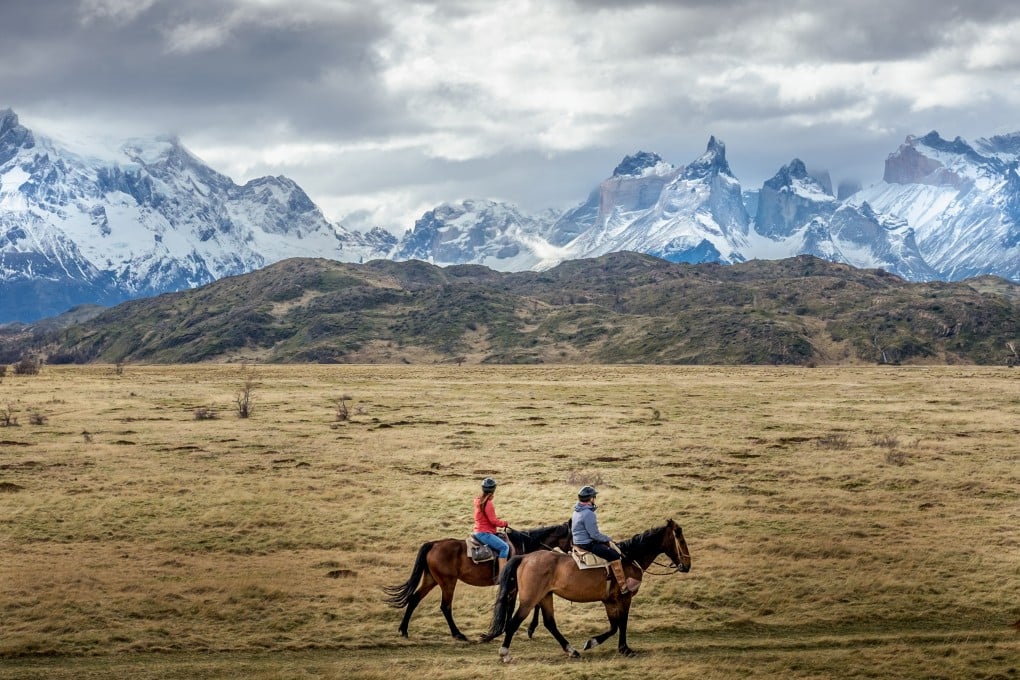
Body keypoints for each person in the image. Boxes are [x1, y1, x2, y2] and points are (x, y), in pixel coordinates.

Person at [571, 485, 639, 594]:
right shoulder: (588, 513)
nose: (595, 499)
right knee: (614, 555)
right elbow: (594, 535)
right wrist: (608, 538)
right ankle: (623, 586)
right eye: (594, 497)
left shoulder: (577, 510)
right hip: (587, 544)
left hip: (578, 542)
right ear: (591, 498)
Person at [473, 477, 510, 573]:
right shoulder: (488, 504)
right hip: (484, 533)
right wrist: (504, 523)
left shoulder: (478, 500)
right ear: (493, 490)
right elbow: (493, 521)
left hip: (478, 531)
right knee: (504, 547)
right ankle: (503, 574)